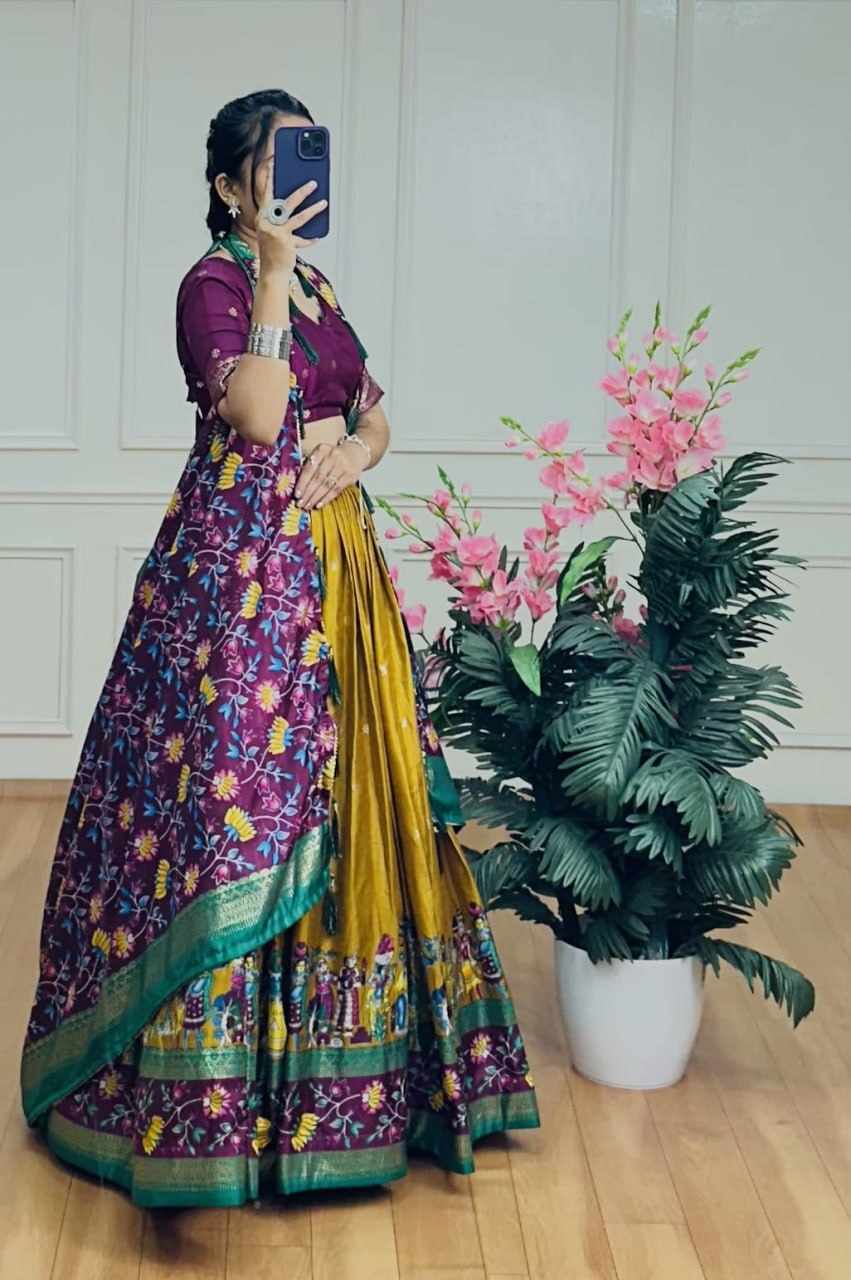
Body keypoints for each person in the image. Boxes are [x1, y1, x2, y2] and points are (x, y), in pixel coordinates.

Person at [19, 89, 540, 1207]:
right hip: (241, 581)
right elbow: (256, 416)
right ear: (226, 186)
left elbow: (372, 408)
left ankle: (366, 1090)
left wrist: (356, 451)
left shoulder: (322, 287)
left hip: (338, 561)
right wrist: (268, 268)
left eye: (304, 157)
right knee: (239, 803)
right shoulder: (213, 283)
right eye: (270, 163)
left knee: (361, 795)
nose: (291, 180)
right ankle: (221, 1109)